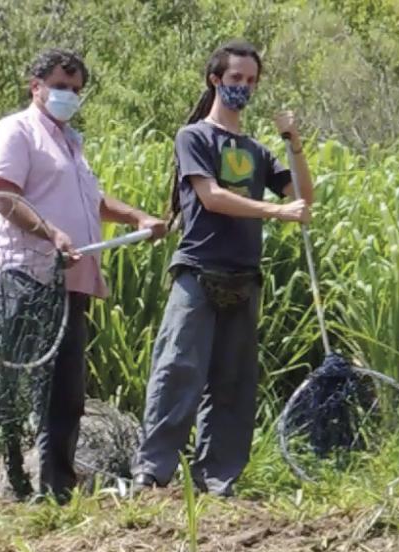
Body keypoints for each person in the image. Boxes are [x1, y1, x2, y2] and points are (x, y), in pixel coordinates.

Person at [0, 48, 167, 504]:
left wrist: (139, 217)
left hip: (71, 283)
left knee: (66, 392)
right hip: (23, 277)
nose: (69, 95)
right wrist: (51, 234)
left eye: (76, 89)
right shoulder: (17, 131)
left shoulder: (72, 145)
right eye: (61, 86)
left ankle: (57, 490)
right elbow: (3, 197)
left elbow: (96, 202)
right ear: (37, 87)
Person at [131, 40, 313, 498]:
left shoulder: (256, 150)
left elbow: (303, 198)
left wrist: (294, 142)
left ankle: (217, 479)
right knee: (177, 371)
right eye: (235, 79)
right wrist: (275, 214)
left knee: (233, 383)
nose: (243, 88)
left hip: (244, 275)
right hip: (198, 269)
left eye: (250, 81)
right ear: (216, 79)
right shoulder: (194, 136)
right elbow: (211, 197)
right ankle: (153, 475)